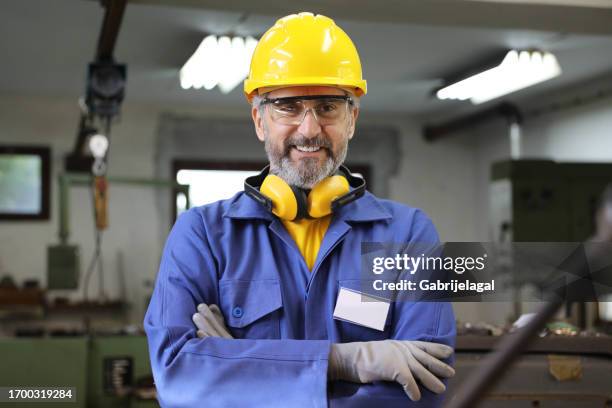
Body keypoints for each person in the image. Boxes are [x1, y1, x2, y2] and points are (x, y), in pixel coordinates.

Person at [144, 12, 456, 407]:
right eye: (288, 107)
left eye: (327, 107)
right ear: (259, 120)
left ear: (352, 119)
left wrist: (242, 369)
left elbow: (425, 390)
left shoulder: (411, 236)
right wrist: (341, 362)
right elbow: (176, 378)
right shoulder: (200, 236)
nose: (309, 129)